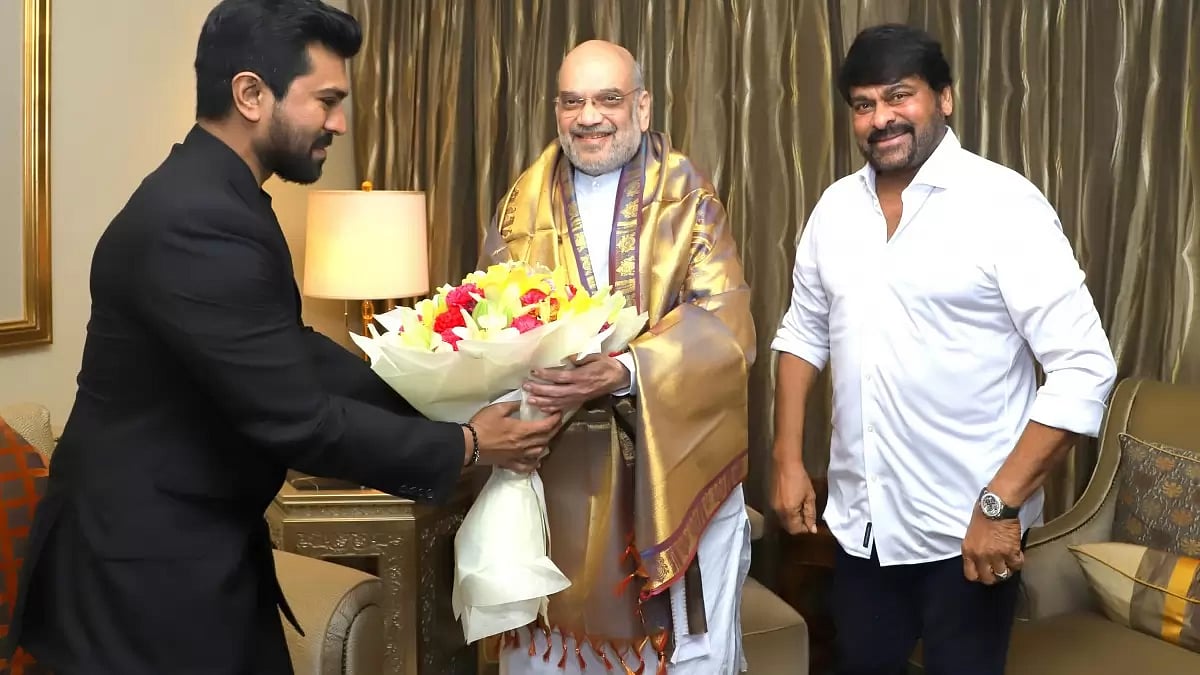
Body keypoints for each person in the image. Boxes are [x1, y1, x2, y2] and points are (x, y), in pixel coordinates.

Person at [0, 2, 561, 673]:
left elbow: (290, 351)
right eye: (325, 99)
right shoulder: (197, 219)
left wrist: (439, 399)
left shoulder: (220, 196)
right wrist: (467, 444)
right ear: (251, 94)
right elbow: (296, 418)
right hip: (139, 575)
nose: (340, 123)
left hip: (191, 551)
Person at [769, 23, 1117, 675]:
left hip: (968, 534)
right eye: (864, 104)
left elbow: (1085, 367)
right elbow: (802, 331)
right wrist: (787, 456)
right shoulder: (834, 211)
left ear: (945, 99)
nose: (882, 119)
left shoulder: (1004, 206)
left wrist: (1000, 505)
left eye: (900, 96)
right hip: (860, 525)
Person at [479, 39, 756, 675]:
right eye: (572, 102)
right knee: (558, 659)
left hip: (671, 467)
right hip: (559, 473)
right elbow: (489, 312)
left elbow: (726, 321)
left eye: (609, 99)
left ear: (643, 106)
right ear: (555, 110)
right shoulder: (523, 202)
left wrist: (627, 370)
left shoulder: (687, 191)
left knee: (686, 659)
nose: (590, 117)